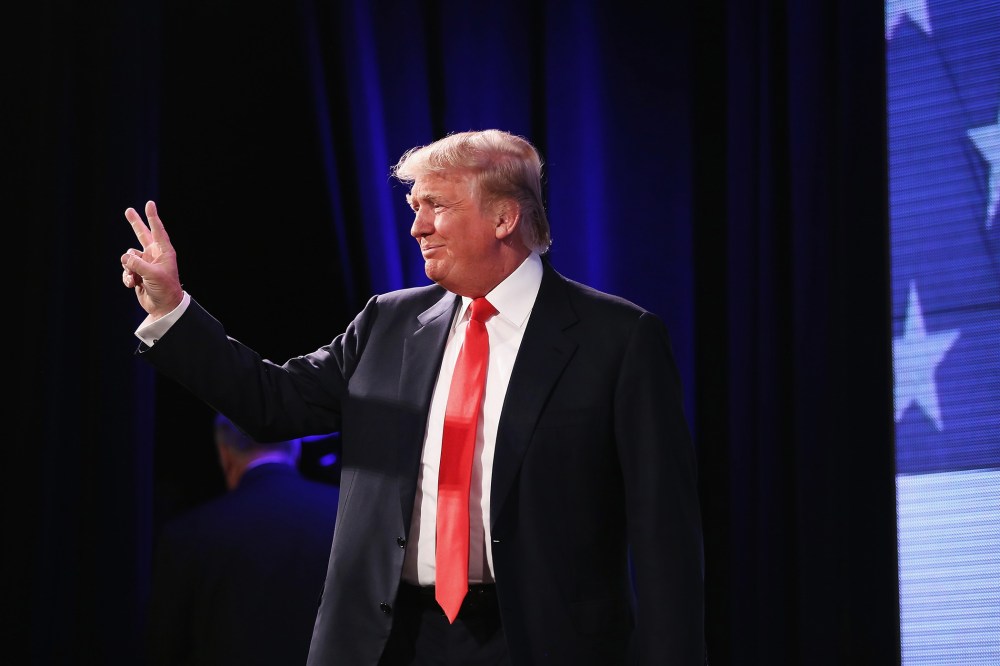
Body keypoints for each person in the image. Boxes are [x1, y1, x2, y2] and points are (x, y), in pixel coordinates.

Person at [122, 129, 705, 665]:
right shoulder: (388, 323)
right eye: (414, 208)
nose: (417, 227)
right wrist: (172, 309)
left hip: (539, 644)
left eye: (437, 206)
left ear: (505, 217)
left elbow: (665, 540)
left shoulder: (617, 340)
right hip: (390, 643)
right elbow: (270, 402)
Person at [145, 412, 340, 666]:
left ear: (224, 454)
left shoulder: (188, 534)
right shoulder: (344, 515)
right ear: (295, 448)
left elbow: (164, 650)